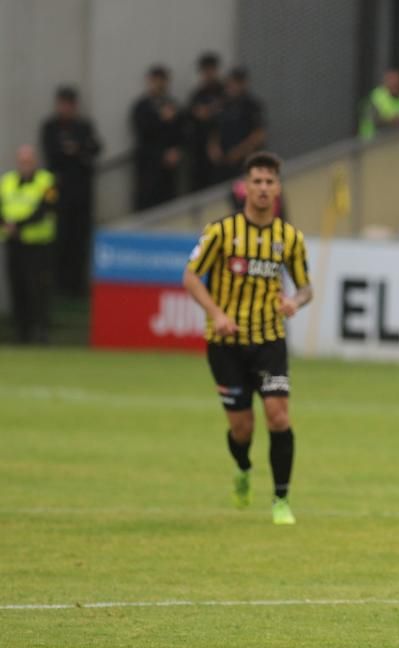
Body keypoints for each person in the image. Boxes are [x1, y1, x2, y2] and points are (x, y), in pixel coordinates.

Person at [182, 152, 311, 526]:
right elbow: (191, 277)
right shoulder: (220, 232)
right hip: (225, 344)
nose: (263, 188)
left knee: (278, 415)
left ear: (278, 188)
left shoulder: (289, 237)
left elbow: (305, 289)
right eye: (257, 181)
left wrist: (294, 302)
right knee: (242, 428)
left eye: (270, 181)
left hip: (269, 340)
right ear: (245, 187)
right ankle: (242, 468)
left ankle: (281, 499)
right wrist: (217, 314)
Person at [40, 85, 102, 297]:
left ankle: (77, 286)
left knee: (79, 239)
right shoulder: (50, 127)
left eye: (69, 105)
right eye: (62, 104)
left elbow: (94, 148)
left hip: (82, 191)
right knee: (61, 238)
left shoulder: (84, 126)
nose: (65, 108)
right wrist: (73, 152)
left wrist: (77, 151)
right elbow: (52, 154)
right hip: (59, 190)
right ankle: (59, 286)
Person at [1, 145, 58, 344]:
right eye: (22, 161)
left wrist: (18, 225)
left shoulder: (47, 181)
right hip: (13, 243)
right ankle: (21, 332)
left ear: (35, 162)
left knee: (38, 287)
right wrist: (6, 226)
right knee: (17, 286)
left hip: (38, 243)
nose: (25, 165)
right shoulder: (6, 181)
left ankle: (41, 330)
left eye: (29, 161)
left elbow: (47, 208)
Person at [131, 65, 183, 210]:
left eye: (162, 80)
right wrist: (161, 119)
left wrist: (175, 151)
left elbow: (180, 132)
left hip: (169, 169)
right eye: (156, 80)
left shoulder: (172, 105)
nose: (159, 84)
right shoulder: (141, 106)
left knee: (168, 203)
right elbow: (143, 132)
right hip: (149, 165)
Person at [209, 67, 266, 183]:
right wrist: (213, 147)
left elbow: (259, 135)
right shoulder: (223, 104)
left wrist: (238, 152)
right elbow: (215, 129)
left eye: (238, 82)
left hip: (244, 163)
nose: (234, 86)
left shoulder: (252, 105)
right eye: (232, 82)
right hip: (223, 164)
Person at [186, 52, 226, 191]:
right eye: (205, 70)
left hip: (223, 149)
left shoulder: (225, 91)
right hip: (200, 151)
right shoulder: (197, 94)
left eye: (211, 69)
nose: (208, 73)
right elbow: (195, 115)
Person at [358, 68, 399, 141]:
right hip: (372, 141)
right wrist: (393, 121)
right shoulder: (376, 96)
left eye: (398, 84)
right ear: (386, 83)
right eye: (392, 84)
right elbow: (373, 119)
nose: (395, 86)